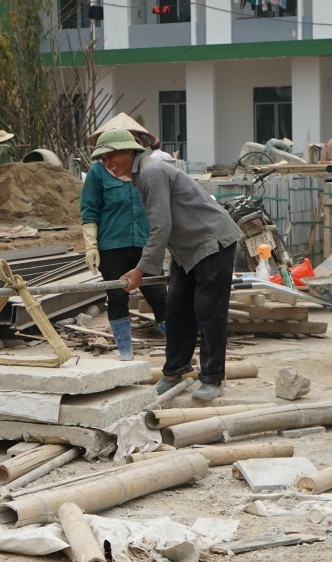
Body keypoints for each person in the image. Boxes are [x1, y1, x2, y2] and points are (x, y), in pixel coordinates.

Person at [93, 129, 241, 401]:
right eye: (102, 159)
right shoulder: (138, 177)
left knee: (209, 309)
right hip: (187, 249)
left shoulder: (151, 172)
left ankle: (212, 378)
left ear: (129, 151)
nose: (107, 163)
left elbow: (161, 226)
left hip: (212, 240)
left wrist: (140, 269)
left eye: (111, 155)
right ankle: (175, 371)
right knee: (177, 308)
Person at [80, 153, 168, 361]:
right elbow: (89, 208)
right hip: (112, 246)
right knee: (118, 297)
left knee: (160, 297)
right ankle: (125, 354)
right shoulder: (98, 172)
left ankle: (177, 351)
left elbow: (163, 209)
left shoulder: (148, 171)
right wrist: (91, 244)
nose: (109, 159)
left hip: (147, 245)